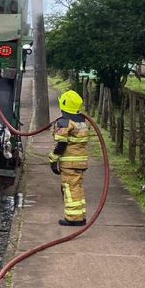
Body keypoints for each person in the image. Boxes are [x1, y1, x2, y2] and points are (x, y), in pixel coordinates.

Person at [48, 90, 90, 227]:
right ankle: (80, 215)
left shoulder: (65, 123)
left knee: (70, 188)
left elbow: (61, 144)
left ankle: (73, 218)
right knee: (77, 187)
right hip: (80, 161)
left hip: (70, 162)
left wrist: (53, 160)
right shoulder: (82, 121)